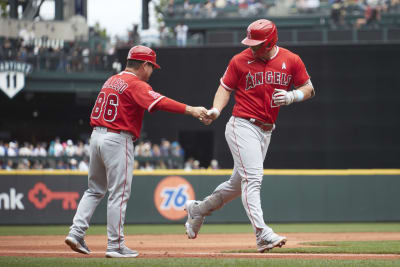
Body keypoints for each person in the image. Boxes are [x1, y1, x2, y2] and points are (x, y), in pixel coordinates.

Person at [184, 19, 315, 253]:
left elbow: (309, 88)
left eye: (258, 44)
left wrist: (292, 96)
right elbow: (225, 88)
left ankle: (198, 210)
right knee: (253, 179)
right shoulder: (239, 60)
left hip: (266, 131)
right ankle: (262, 234)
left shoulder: (291, 59)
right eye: (251, 42)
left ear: (271, 41)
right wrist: (216, 110)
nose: (252, 47)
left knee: (236, 186)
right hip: (241, 125)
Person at [65, 45, 208, 258]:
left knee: (94, 190)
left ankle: (76, 232)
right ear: (144, 65)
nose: (151, 72)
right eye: (151, 67)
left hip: (96, 136)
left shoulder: (111, 80)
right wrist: (192, 110)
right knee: (119, 194)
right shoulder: (135, 83)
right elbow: (160, 102)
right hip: (117, 138)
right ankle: (115, 245)